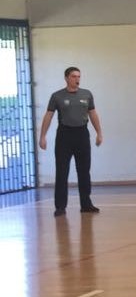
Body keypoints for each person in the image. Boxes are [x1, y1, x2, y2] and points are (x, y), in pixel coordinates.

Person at [39, 67, 102, 217]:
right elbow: (48, 116)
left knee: (84, 171)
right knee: (62, 172)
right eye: (74, 76)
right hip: (64, 136)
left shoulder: (87, 94)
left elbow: (92, 113)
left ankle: (86, 204)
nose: (77, 79)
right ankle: (60, 206)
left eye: (79, 76)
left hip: (82, 135)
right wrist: (43, 136)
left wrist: (99, 132)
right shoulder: (57, 96)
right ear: (67, 78)